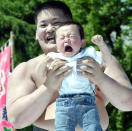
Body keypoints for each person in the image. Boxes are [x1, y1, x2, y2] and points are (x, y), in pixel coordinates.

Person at [6, 1, 132, 131]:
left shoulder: (99, 60)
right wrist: (48, 87)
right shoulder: (27, 69)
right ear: (36, 34)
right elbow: (17, 120)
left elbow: (128, 103)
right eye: (43, 25)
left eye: (57, 23)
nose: (50, 29)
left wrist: (101, 79)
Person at [47, 21, 110, 131]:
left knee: (93, 128)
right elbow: (40, 68)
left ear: (82, 42)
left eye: (72, 36)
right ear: (56, 46)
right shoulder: (54, 57)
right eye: (62, 38)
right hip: (64, 104)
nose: (67, 39)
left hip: (87, 102)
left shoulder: (88, 53)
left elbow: (106, 60)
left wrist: (101, 45)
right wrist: (49, 70)